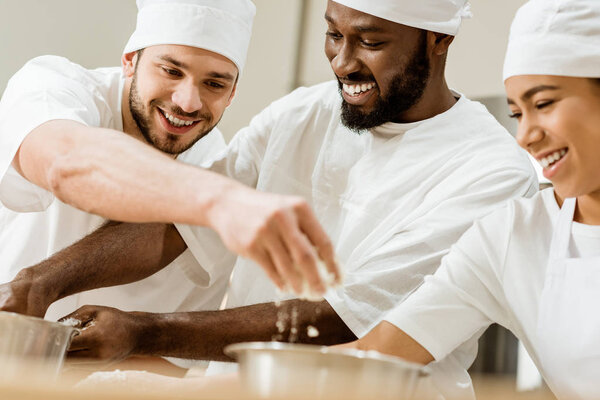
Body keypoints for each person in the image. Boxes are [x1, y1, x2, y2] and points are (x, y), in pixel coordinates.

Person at [1, 0, 537, 397]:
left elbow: (351, 320)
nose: (342, 63)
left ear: (437, 40)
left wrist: (142, 332)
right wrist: (42, 282)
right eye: (333, 35)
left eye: (370, 42)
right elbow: (181, 226)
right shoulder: (304, 112)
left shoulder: (490, 171)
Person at [0, 0, 337, 323]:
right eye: (171, 71)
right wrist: (220, 200)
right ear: (130, 60)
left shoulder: (214, 167)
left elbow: (172, 361)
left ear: (232, 94)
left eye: (214, 84)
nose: (188, 102)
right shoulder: (54, 87)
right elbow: (65, 163)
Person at [342, 0, 600, 399]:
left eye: (543, 104)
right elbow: (375, 356)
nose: (526, 136)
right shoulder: (512, 237)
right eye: (517, 114)